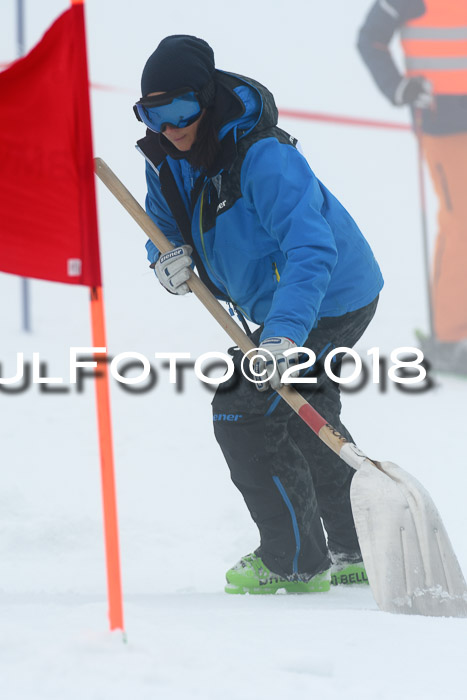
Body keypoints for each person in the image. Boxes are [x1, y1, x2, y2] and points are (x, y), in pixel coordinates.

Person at [134, 35, 384, 594]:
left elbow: (310, 249)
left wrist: (283, 339)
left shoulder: (263, 155)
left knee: (243, 414)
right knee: (305, 414)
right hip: (277, 307)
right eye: (154, 113)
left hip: (327, 299)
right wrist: (163, 259)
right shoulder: (165, 160)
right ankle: (354, 549)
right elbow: (164, 227)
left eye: (181, 109)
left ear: (207, 98)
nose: (170, 127)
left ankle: (293, 560)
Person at [358, 0, 467, 374]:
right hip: (445, 123)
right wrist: (398, 86)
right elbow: (370, 39)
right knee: (461, 223)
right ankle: (448, 339)